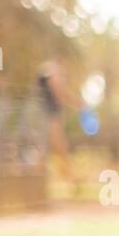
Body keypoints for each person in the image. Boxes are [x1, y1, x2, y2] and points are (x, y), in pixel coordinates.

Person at [36, 55, 74, 184]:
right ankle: (68, 177)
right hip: (49, 113)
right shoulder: (52, 68)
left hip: (48, 112)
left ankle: (67, 175)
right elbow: (57, 88)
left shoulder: (46, 68)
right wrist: (71, 102)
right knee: (58, 145)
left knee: (52, 146)